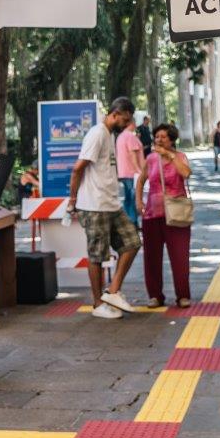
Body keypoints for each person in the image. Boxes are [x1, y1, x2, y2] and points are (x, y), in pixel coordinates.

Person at [68, 97, 142, 319]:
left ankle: (113, 291)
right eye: (125, 120)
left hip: (111, 203)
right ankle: (98, 303)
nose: (127, 124)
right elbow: (78, 168)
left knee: (132, 243)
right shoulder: (98, 134)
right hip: (94, 205)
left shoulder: (110, 135)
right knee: (97, 256)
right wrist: (73, 199)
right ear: (116, 113)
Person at [135, 123, 193, 309]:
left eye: (163, 137)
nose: (158, 140)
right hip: (152, 214)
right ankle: (155, 296)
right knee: (151, 258)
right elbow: (141, 180)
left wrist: (170, 156)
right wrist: (138, 201)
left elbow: (185, 173)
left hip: (176, 214)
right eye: (157, 136)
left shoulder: (180, 157)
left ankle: (183, 296)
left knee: (180, 257)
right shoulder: (151, 159)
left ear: (172, 140)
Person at [116, 119, 146, 226]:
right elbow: (132, 155)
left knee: (128, 198)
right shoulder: (130, 136)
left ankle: (129, 221)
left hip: (124, 172)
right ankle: (132, 222)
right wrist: (139, 171)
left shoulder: (121, 136)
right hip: (131, 173)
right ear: (131, 123)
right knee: (133, 198)